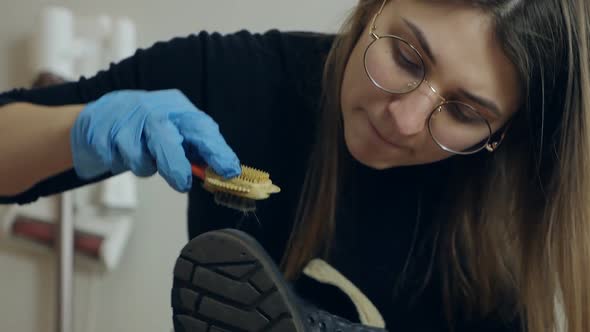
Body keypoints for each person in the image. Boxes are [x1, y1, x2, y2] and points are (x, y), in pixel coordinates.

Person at [1, 0, 589, 331]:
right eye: (406, 56)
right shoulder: (242, 79)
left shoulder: (513, 221)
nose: (405, 119)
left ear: (502, 132)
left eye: (463, 111)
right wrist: (75, 131)